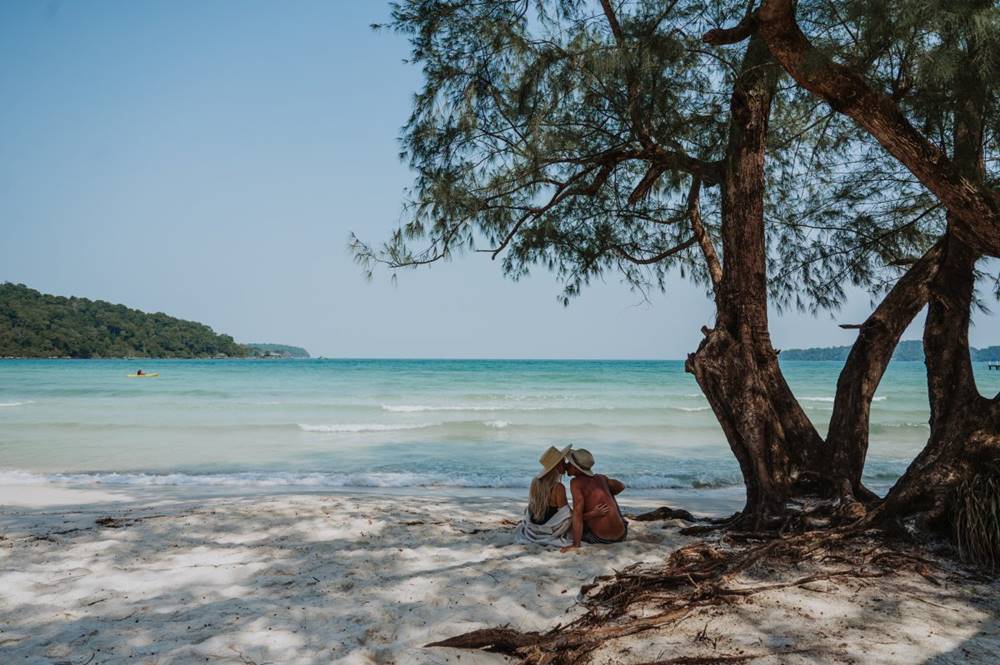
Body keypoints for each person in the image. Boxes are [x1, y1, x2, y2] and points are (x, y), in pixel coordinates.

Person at [561, 448, 627, 552]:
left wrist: (576, 544)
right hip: (622, 535)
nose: (567, 465)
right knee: (609, 492)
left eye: (569, 463)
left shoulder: (576, 483)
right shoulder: (601, 478)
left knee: (568, 526)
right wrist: (608, 494)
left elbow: (577, 515)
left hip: (601, 539)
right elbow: (621, 486)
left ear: (576, 468)